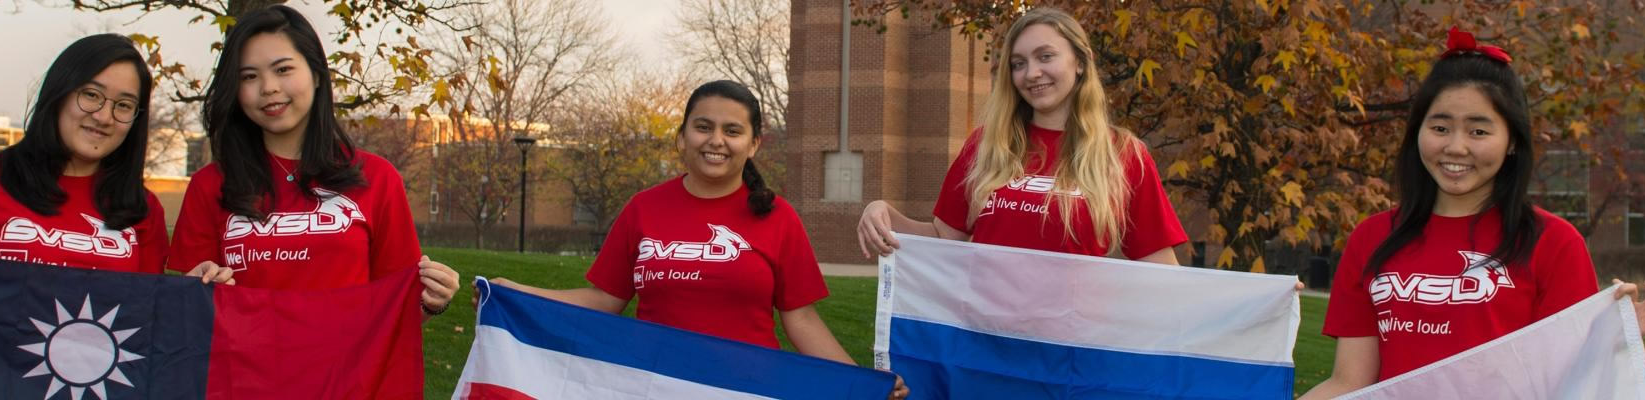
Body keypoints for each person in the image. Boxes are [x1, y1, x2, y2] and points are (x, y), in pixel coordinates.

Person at [1299, 28, 1645, 399]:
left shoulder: (1553, 242)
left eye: (1478, 131)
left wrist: (1609, 338)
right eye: (1440, 127)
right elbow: (1349, 383)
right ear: (1418, 132)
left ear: (1512, 142)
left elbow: (1570, 382)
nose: (1455, 146)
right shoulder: (1372, 238)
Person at [479, 80, 907, 400]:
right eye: (703, 127)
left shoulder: (778, 217)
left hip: (747, 390)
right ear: (682, 137)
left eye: (732, 130)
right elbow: (604, 300)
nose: (716, 140)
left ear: (754, 144)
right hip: (652, 384)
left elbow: (802, 321)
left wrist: (864, 384)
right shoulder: (643, 208)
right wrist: (516, 293)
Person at [167, 5, 459, 316]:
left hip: (347, 350)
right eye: (249, 76)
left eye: (283, 70)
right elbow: (184, 318)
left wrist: (430, 302)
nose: (268, 87)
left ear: (317, 74)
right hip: (241, 349)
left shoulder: (376, 177)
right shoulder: (209, 185)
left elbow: (396, 312)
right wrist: (194, 292)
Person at [854, 7, 1188, 263]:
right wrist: (884, 213)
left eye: (1045, 56)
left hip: (1071, 332)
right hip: (987, 330)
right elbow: (942, 240)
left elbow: (1159, 268)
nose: (1032, 73)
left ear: (1080, 62)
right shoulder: (986, 145)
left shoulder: (1123, 154)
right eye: (1018, 63)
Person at [0, 34, 175, 327]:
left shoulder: (143, 209)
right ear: (60, 93)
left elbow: (148, 319)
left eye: (124, 105)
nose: (104, 117)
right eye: (91, 95)